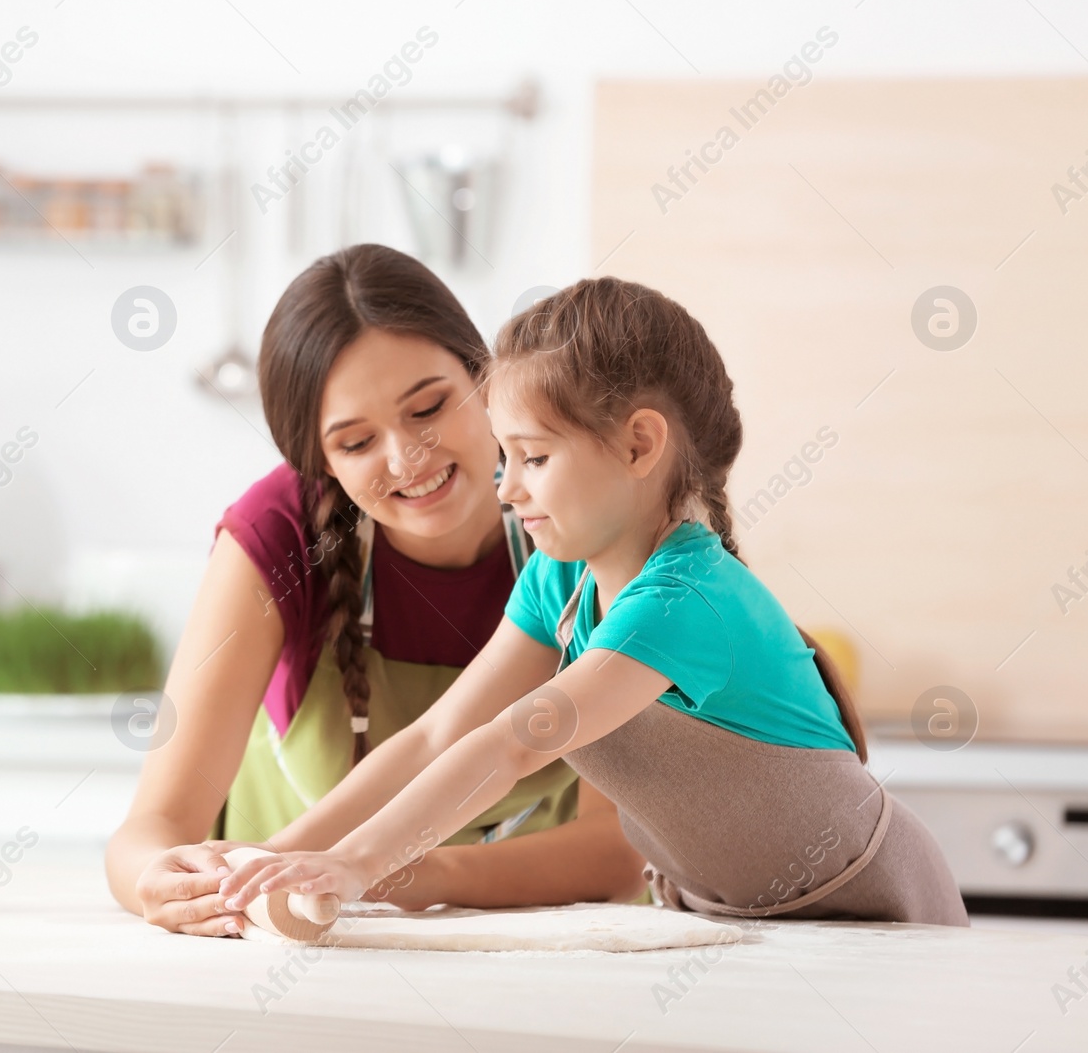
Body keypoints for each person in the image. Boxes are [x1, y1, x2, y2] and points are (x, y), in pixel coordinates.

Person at [222, 275, 970, 926]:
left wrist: (354, 865)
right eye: (505, 455)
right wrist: (267, 860)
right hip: (735, 919)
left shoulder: (683, 599)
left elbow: (513, 740)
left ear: (641, 444)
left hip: (875, 913)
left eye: (535, 457)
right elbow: (439, 734)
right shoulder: (561, 581)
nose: (507, 490)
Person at [106, 246, 647, 937]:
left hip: (536, 952)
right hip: (292, 952)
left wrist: (397, 875)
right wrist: (161, 881)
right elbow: (149, 830)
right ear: (320, 461)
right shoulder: (280, 535)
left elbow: (618, 849)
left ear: (486, 378)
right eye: (356, 443)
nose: (406, 459)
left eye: (427, 407)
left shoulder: (579, 524)